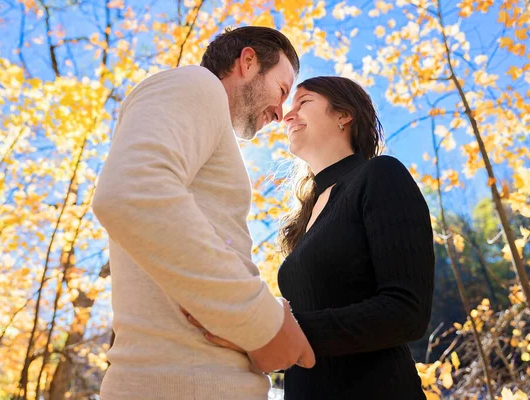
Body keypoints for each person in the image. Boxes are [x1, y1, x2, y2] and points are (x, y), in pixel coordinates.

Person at [91, 26, 315, 400]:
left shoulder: (204, 119)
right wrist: (261, 322)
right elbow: (132, 191)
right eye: (281, 90)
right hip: (186, 384)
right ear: (247, 61)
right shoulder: (197, 83)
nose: (280, 112)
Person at [187, 76, 435, 399]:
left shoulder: (380, 176)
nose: (287, 116)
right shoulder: (303, 220)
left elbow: (407, 312)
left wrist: (279, 331)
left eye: (303, 103)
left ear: (344, 115)